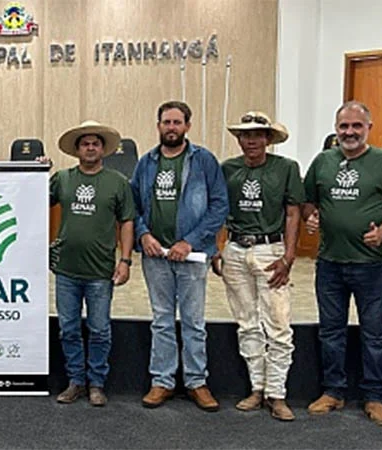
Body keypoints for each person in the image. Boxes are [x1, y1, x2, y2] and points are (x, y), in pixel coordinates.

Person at [302, 101, 382, 426]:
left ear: (368, 127)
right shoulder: (323, 161)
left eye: (356, 126)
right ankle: (333, 391)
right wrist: (311, 216)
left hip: (369, 264)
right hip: (330, 263)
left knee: (374, 334)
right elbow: (309, 201)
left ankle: (374, 396)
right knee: (330, 331)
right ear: (336, 129)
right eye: (343, 127)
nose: (349, 132)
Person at [130, 101, 228, 412]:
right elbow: (132, 206)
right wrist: (144, 234)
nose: (171, 127)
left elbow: (219, 206)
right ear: (158, 126)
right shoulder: (146, 163)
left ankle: (197, 382)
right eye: (166, 122)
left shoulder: (203, 161)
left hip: (193, 256)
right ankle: (162, 381)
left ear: (187, 126)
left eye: (177, 122)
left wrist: (190, 241)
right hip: (155, 255)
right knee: (161, 320)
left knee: (193, 321)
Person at [213, 111, 301, 421]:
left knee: (278, 326)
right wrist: (218, 248)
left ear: (268, 139)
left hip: (271, 250)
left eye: (258, 134)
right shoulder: (227, 169)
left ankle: (277, 394)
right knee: (247, 323)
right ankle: (257, 388)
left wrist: (288, 257)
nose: (251, 140)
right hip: (236, 249)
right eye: (245, 134)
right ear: (239, 139)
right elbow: (218, 210)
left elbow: (293, 213)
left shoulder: (287, 168)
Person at [51, 121, 135, 407]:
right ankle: (76, 381)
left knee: (99, 330)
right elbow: (32, 198)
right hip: (66, 270)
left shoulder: (118, 183)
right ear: (77, 150)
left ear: (103, 149)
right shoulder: (61, 178)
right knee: (69, 329)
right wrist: (35, 171)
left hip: (101, 271)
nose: (90, 147)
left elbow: (126, 222)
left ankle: (96, 383)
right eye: (85, 143)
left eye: (95, 143)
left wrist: (125, 260)